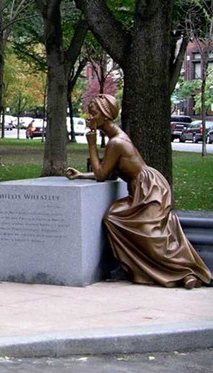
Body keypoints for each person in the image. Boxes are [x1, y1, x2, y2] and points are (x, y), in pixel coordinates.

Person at [65, 94, 210, 289]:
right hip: (142, 189)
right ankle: (148, 269)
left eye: (93, 113)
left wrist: (91, 145)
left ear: (106, 115)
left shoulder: (116, 142)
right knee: (115, 219)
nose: (89, 118)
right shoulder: (115, 138)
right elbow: (108, 173)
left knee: (150, 234)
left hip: (150, 189)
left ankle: (186, 272)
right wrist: (81, 175)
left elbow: (101, 175)